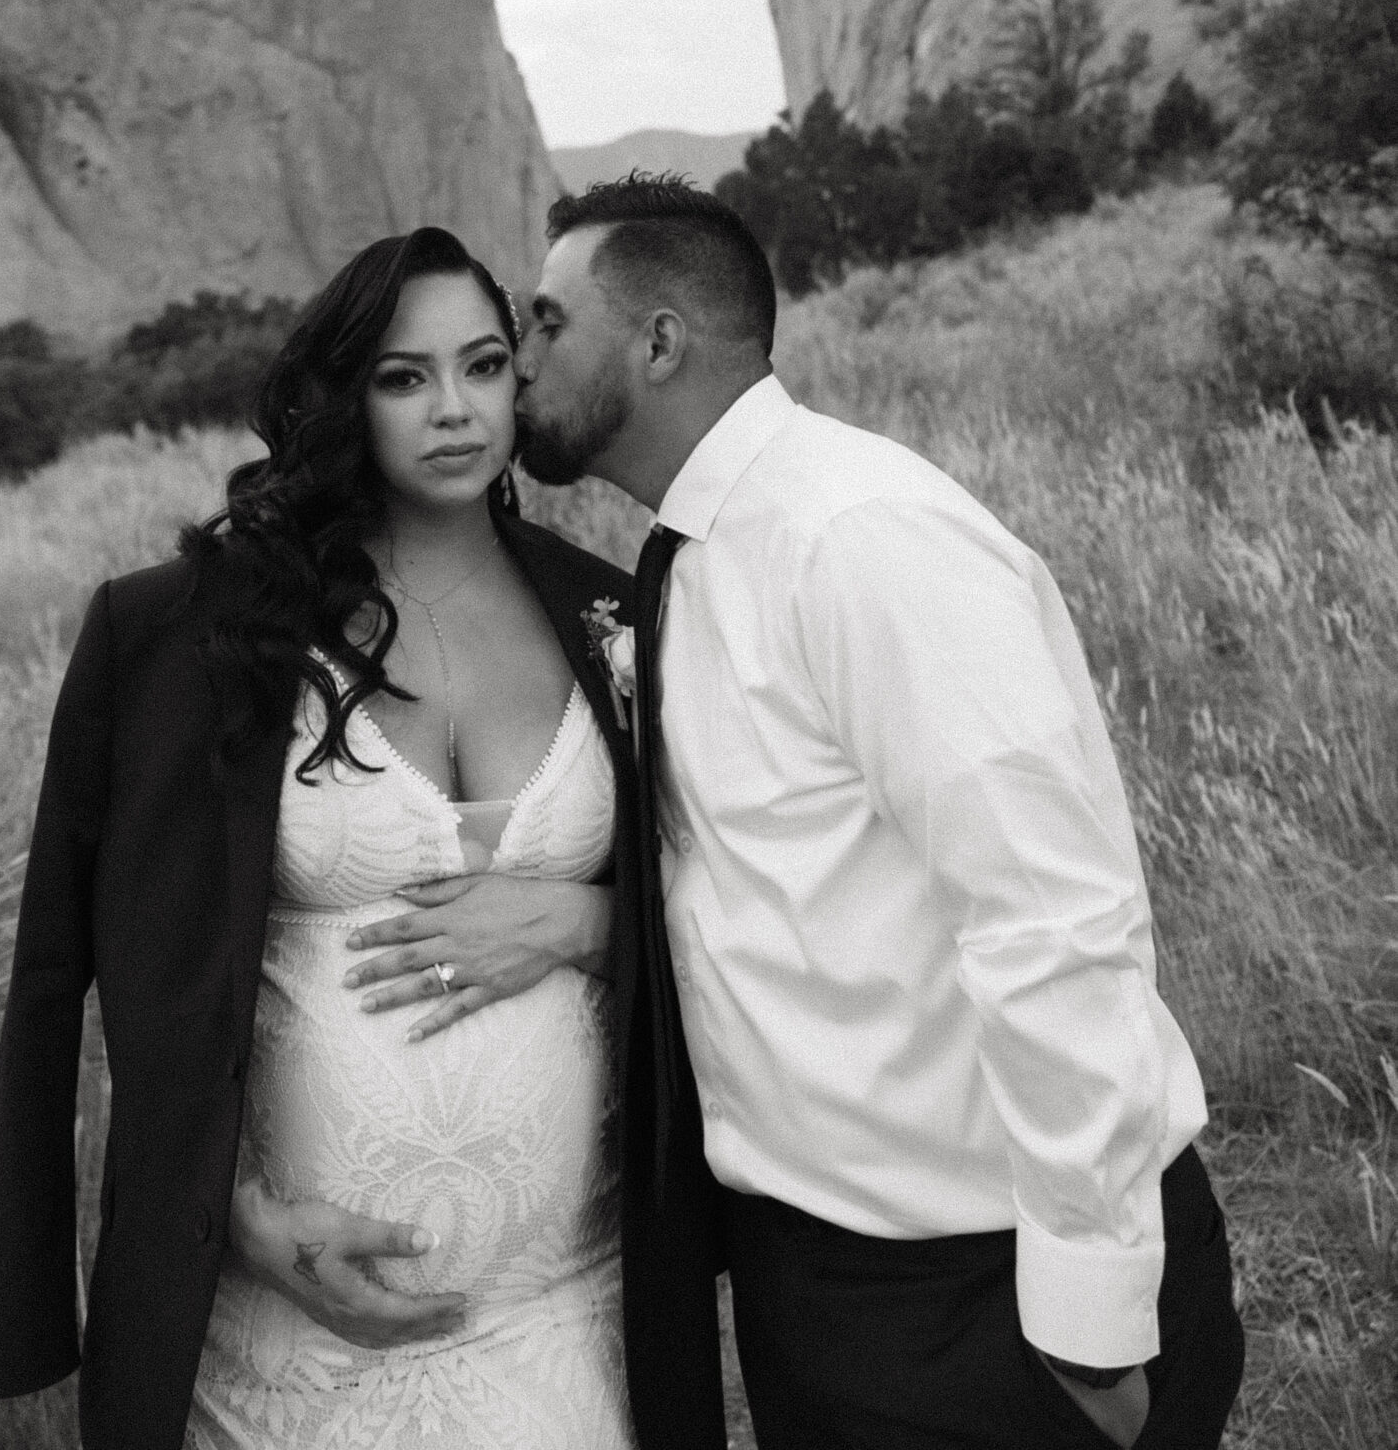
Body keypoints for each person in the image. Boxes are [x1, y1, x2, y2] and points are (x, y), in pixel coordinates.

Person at [0, 224, 726, 1450]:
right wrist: (236, 1215)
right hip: (282, 1347)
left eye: (482, 366)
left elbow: (722, 895)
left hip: (567, 1324)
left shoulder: (616, 613)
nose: (454, 410)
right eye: (403, 378)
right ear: (341, 397)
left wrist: (595, 919)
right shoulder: (184, 636)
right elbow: (75, 976)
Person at [512, 174, 1245, 1450]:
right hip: (826, 1290)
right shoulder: (702, 552)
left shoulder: (859, 534)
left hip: (985, 1294)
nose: (517, 361)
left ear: (661, 339)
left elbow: (1049, 914)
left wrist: (1091, 1321)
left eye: (545, 321)